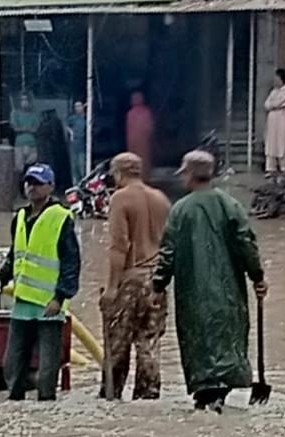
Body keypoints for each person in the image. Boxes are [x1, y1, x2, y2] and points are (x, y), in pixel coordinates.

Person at [153, 150, 268, 414]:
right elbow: (246, 244)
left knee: (200, 348)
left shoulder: (180, 210)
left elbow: (167, 253)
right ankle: (219, 396)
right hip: (228, 294)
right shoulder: (231, 205)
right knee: (228, 344)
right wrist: (258, 277)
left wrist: (158, 284)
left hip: (192, 295)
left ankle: (207, 399)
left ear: (190, 175)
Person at [0, 164, 81, 401]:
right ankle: (15, 404)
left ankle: (46, 403)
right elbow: (15, 255)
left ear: (50, 187)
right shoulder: (20, 217)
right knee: (13, 363)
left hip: (49, 304)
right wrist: (0, 278)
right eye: (28, 182)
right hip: (22, 302)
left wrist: (60, 297)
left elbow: (71, 262)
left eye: (37, 183)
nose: (31, 187)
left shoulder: (61, 217)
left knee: (47, 367)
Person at [98, 152, 171, 401]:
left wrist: (111, 288)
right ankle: (148, 397)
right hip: (157, 281)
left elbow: (120, 245)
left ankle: (112, 398)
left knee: (117, 345)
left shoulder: (120, 199)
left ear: (118, 173)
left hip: (130, 279)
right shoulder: (161, 199)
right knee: (149, 343)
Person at [264, 69, 285, 177]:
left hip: (282, 123)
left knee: (282, 145)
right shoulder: (274, 91)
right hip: (272, 124)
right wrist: (271, 105)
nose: (275, 81)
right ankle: (270, 169)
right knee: (271, 145)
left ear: (282, 79)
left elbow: (277, 104)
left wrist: (272, 105)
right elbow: (266, 104)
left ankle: (284, 168)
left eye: (277, 79)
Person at [36, 108, 71, 193]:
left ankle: (54, 187)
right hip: (47, 151)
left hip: (52, 151)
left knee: (53, 169)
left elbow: (56, 137)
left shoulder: (54, 123)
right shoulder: (44, 123)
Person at [125, 91, 154, 181]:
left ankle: (137, 178)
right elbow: (150, 128)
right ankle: (144, 178)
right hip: (142, 142)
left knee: (135, 161)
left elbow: (128, 129)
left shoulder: (131, 113)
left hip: (134, 142)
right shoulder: (146, 112)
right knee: (143, 161)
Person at [11, 94, 40, 174]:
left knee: (31, 167)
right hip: (19, 144)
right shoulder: (15, 114)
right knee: (19, 168)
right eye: (22, 100)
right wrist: (27, 129)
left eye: (26, 100)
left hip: (32, 145)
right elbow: (15, 128)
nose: (24, 102)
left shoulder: (34, 115)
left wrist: (23, 128)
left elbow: (36, 129)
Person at [66, 101, 87, 185]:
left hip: (83, 145)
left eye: (79, 106)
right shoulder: (73, 118)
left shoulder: (86, 118)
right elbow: (66, 125)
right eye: (76, 107)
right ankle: (75, 187)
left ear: (83, 107)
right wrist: (71, 132)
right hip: (74, 145)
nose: (77, 108)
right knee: (74, 167)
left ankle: (83, 185)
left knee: (82, 167)